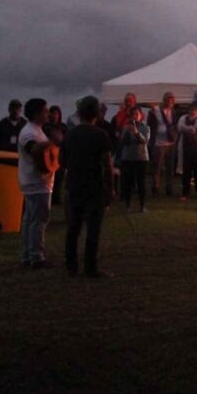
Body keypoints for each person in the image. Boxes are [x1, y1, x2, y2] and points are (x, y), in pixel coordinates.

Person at [62, 95, 115, 278]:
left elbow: (63, 161)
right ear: (96, 113)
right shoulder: (100, 135)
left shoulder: (70, 134)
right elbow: (108, 165)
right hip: (94, 186)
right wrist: (111, 188)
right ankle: (90, 267)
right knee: (93, 228)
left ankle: (71, 265)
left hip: (74, 185)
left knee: (73, 228)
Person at [17, 98, 56, 269]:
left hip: (36, 181)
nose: (48, 113)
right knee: (39, 220)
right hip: (37, 181)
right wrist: (54, 142)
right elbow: (33, 149)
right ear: (36, 114)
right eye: (45, 111)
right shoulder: (29, 133)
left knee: (30, 220)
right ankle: (37, 256)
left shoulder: (36, 130)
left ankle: (27, 255)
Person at [119, 105, 150, 212]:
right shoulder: (126, 127)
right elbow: (122, 142)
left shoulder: (145, 127)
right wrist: (128, 131)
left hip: (141, 157)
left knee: (141, 182)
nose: (135, 116)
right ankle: (128, 205)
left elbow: (144, 141)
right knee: (128, 182)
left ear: (141, 115)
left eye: (137, 114)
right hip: (128, 157)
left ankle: (142, 205)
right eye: (133, 114)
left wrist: (136, 133)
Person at [176, 101, 197, 200]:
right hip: (186, 148)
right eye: (191, 110)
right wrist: (189, 128)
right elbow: (180, 127)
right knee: (186, 172)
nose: (193, 112)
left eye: (195, 110)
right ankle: (185, 193)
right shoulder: (183, 118)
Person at [147, 91, 178, 196]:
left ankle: (169, 189)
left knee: (170, 167)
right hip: (158, 143)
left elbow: (174, 124)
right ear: (164, 100)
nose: (171, 101)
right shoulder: (155, 111)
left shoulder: (173, 111)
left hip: (170, 143)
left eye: (172, 99)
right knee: (157, 167)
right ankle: (155, 188)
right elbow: (149, 125)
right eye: (169, 99)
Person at [44, 105, 69, 205]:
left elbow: (66, 140)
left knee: (59, 178)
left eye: (56, 113)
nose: (54, 116)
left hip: (60, 155)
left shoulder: (63, 127)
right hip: (48, 155)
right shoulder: (45, 127)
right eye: (52, 113)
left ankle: (56, 198)